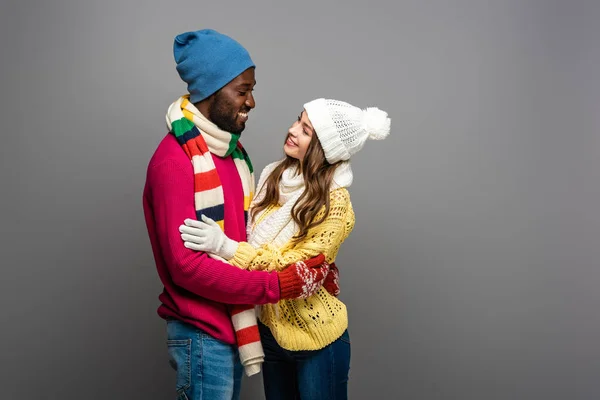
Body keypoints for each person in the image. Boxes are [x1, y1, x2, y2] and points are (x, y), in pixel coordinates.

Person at [143, 29, 335, 400]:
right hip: (200, 333)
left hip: (229, 328)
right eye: (242, 90)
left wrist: (311, 269)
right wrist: (276, 286)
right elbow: (187, 267)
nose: (252, 101)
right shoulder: (175, 162)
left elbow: (249, 238)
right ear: (211, 91)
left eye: (252, 89)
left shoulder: (232, 156)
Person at [179, 98, 391, 399]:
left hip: (318, 339)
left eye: (305, 130)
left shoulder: (336, 203)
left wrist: (227, 248)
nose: (292, 130)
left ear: (324, 148)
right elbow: (249, 233)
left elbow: (298, 270)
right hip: (270, 331)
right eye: (298, 120)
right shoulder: (273, 174)